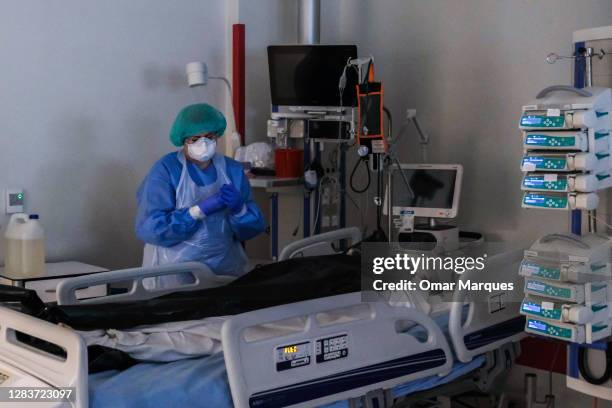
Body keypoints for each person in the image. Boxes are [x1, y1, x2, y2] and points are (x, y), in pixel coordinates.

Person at [135, 103, 265, 284]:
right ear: (183, 139)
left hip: (224, 269)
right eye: (194, 138)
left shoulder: (232, 170)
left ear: (217, 136)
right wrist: (197, 211)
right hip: (173, 271)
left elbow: (251, 229)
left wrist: (240, 210)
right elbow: (152, 229)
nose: (203, 143)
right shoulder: (166, 169)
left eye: (209, 137)